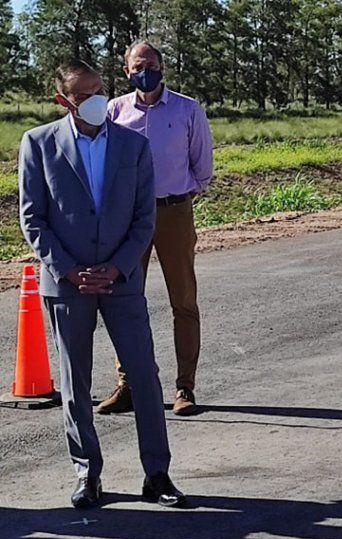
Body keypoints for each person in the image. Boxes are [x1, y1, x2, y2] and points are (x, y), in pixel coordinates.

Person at [18, 60, 187, 509]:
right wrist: (69, 269)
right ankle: (87, 474)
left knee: (145, 378)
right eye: (84, 95)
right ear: (63, 101)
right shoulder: (37, 144)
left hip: (121, 279)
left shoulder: (133, 145)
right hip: (67, 283)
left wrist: (117, 266)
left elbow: (144, 217)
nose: (96, 101)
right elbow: (32, 219)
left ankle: (157, 474)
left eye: (100, 91)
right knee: (75, 383)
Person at [101, 41, 213, 417]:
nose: (143, 70)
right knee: (125, 300)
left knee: (183, 300)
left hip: (173, 211)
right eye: (137, 65)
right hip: (128, 218)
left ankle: (185, 388)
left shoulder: (187, 110)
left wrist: (178, 200)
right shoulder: (115, 111)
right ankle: (128, 384)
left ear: (162, 67)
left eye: (150, 63)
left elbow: (203, 167)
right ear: (126, 71)